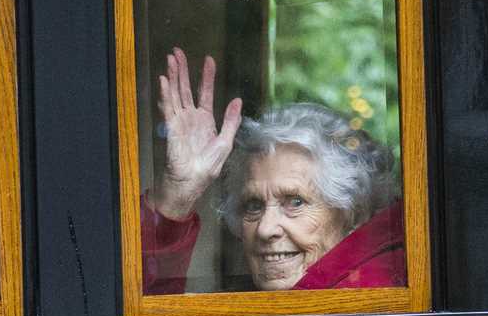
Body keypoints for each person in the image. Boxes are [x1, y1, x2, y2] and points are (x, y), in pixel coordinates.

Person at [142, 47, 405, 295]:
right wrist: (178, 194)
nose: (266, 230)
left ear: (353, 214)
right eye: (253, 206)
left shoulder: (371, 295)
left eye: (295, 202)